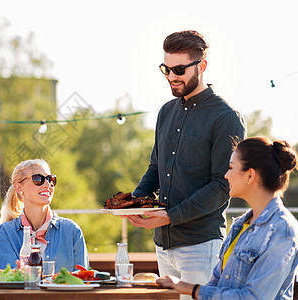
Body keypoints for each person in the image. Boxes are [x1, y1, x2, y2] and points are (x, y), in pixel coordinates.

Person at [126, 30, 247, 294]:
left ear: (201, 66)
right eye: (166, 69)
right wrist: (131, 203)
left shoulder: (226, 117)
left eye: (179, 69)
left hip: (201, 247)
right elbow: (155, 169)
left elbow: (221, 186)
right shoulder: (166, 112)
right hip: (163, 246)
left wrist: (169, 216)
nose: (171, 77)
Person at [157, 137, 298, 299]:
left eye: (231, 168)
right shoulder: (240, 225)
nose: (225, 175)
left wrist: (189, 288)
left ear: (250, 175)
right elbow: (217, 283)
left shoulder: (282, 230)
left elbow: (254, 297)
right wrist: (183, 287)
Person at [0, 159, 89, 271]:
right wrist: (16, 273)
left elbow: (84, 279)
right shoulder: (6, 232)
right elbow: (8, 281)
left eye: (50, 179)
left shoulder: (72, 230)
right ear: (19, 188)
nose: (48, 184)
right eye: (38, 179)